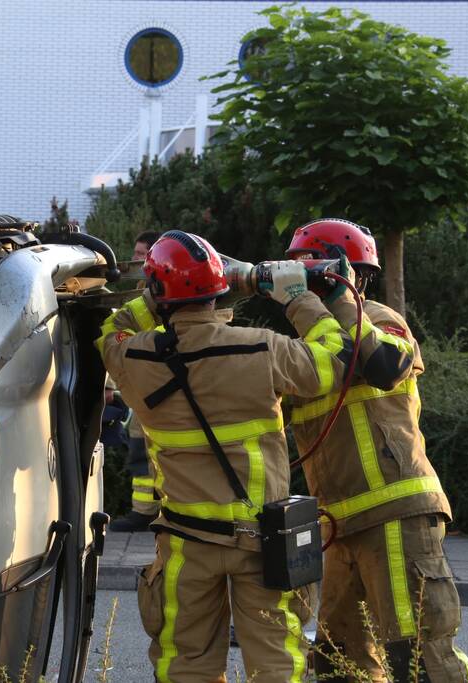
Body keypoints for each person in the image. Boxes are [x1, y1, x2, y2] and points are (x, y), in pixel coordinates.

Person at [97, 230, 354, 683]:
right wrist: (296, 297)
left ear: (159, 295)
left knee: (187, 663)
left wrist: (154, 301)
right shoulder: (259, 348)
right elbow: (336, 358)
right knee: (276, 662)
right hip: (262, 543)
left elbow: (110, 330)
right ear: (219, 291)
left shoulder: (133, 358)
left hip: (185, 544)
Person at [285, 219, 468, 682]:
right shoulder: (303, 345)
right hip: (338, 524)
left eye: (311, 271)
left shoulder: (381, 321)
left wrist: (323, 299)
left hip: (395, 512)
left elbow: (382, 365)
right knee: (339, 661)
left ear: (348, 274)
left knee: (418, 655)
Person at [110, 229, 162, 531]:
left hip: (161, 383)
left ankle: (160, 512)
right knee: (140, 450)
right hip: (144, 385)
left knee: (166, 455)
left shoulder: (164, 290)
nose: (135, 259)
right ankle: (143, 511)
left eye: (142, 254)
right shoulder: (143, 287)